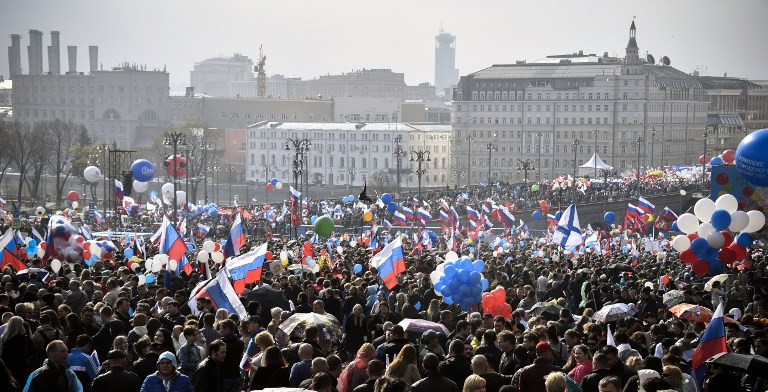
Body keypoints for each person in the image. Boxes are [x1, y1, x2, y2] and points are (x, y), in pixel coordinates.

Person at [2, 315, 33, 385]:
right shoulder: (25, 339)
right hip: (23, 367)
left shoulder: (6, 340)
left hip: (10, 369)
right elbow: (33, 352)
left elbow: (4, 355)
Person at [217, 319, 244, 392]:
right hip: (235, 376)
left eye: (221, 328)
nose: (219, 330)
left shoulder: (221, 344)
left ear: (227, 329)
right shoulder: (240, 343)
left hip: (223, 377)